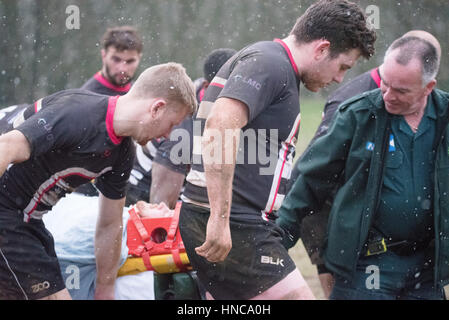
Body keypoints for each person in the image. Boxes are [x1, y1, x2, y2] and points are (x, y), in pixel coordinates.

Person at [178, 0, 376, 300]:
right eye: (342, 67)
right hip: (235, 222)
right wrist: (219, 221)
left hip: (229, 220)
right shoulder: (271, 64)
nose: (339, 78)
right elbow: (219, 127)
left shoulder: (269, 61)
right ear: (322, 49)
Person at [0, 62, 197, 300]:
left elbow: (110, 224)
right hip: (7, 213)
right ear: (157, 108)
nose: (167, 135)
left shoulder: (123, 153)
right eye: (172, 124)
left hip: (29, 222)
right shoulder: (78, 113)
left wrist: (105, 289)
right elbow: (6, 146)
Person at [277, 32, 449, 300]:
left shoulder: (444, 118)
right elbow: (310, 180)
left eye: (401, 90)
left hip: (427, 268)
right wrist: (278, 239)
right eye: (385, 84)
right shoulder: (358, 115)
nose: (388, 95)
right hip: (367, 265)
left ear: (428, 87)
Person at [150, 48, 237, 209]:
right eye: (231, 89)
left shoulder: (206, 93)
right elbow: (160, 207)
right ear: (208, 87)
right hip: (140, 195)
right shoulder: (184, 129)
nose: (240, 95)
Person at [81, 25, 143, 95]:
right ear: (104, 55)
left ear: (139, 58)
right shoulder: (86, 97)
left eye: (130, 61)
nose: (122, 69)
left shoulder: (142, 94)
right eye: (116, 60)